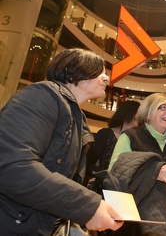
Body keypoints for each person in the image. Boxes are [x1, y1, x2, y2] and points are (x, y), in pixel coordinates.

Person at [0, 48, 123, 234]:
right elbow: (13, 166)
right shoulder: (42, 95)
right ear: (75, 70)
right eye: (100, 72)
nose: (107, 79)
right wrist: (87, 206)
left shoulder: (76, 116)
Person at [108, 93, 166, 235]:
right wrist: (154, 172)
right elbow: (114, 174)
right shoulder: (130, 137)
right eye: (162, 108)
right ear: (148, 114)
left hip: (163, 220)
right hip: (132, 222)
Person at [86, 100, 140, 196]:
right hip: (103, 189)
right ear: (129, 112)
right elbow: (88, 163)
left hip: (125, 190)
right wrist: (105, 174)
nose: (141, 116)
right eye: (138, 112)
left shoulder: (136, 140)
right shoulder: (106, 134)